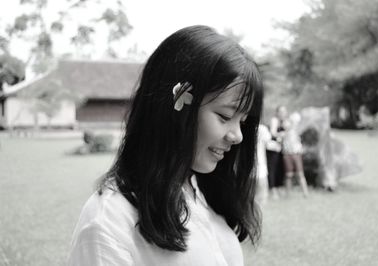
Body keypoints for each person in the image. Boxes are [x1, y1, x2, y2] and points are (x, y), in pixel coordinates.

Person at [68, 25, 264, 266]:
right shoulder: (110, 221)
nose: (238, 136)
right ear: (177, 108)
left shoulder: (201, 191)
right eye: (224, 116)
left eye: (242, 122)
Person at [275, 106, 309, 197]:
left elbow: (296, 119)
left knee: (300, 174)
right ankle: (288, 194)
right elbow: (279, 134)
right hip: (287, 154)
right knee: (288, 175)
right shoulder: (283, 131)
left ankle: (305, 193)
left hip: (296, 154)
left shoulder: (295, 130)